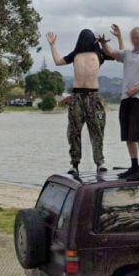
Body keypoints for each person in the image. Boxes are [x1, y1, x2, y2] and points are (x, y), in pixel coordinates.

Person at [47, 29, 122, 175]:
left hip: (94, 97)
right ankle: (74, 163)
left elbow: (119, 55)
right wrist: (53, 45)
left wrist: (118, 37)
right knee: (74, 132)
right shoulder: (75, 54)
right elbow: (58, 62)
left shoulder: (100, 54)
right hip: (77, 97)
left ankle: (99, 162)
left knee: (97, 131)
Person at [101, 25, 139, 181]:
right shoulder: (127, 54)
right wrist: (103, 43)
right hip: (125, 99)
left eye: (138, 38)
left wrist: (135, 90)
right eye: (133, 38)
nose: (136, 41)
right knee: (128, 135)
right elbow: (111, 52)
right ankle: (133, 166)